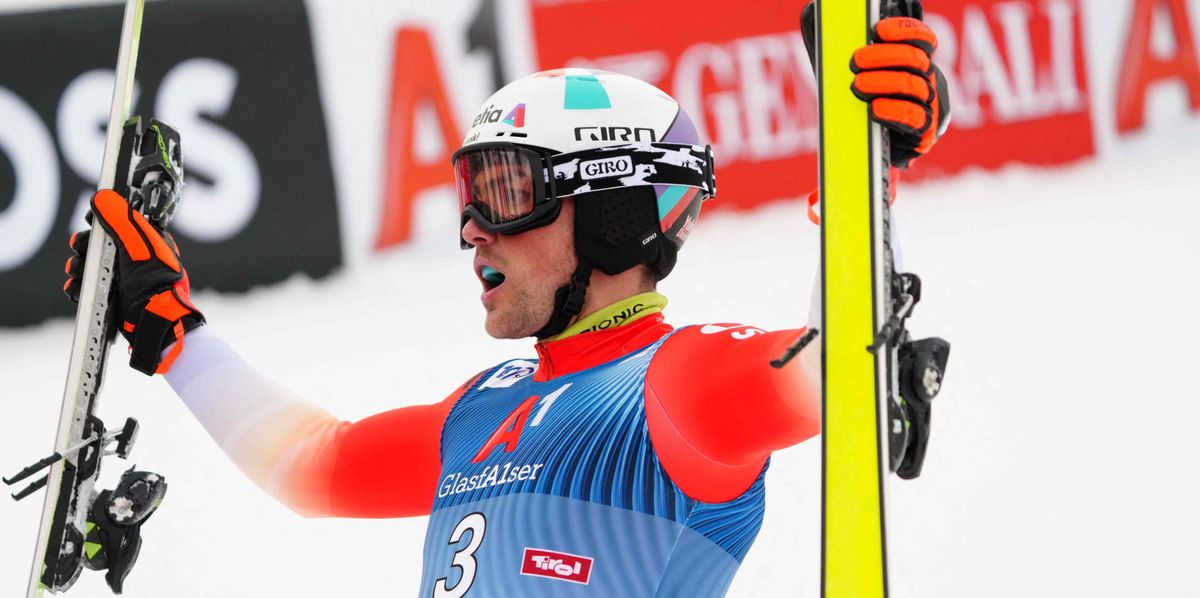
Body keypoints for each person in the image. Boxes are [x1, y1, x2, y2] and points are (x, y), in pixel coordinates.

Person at [64, 11, 950, 597]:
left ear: (613, 211)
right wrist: (171, 331)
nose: (474, 230)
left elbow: (842, 368)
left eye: (507, 192)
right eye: (469, 196)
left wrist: (868, 172)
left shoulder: (679, 384)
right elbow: (311, 467)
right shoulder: (485, 411)